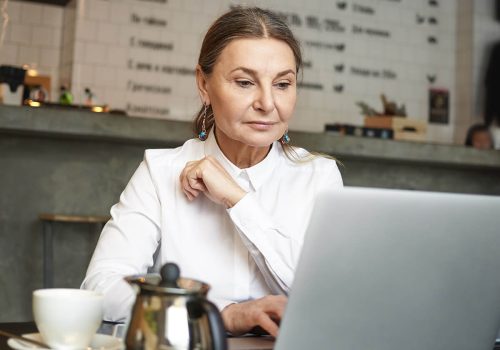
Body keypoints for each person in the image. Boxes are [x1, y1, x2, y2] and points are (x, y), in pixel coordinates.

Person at [82, 7, 343, 337]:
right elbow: (101, 290)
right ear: (204, 85)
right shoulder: (160, 171)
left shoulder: (319, 177)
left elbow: (328, 300)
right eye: (245, 82)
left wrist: (237, 199)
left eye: (282, 84)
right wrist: (220, 315)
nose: (267, 102)